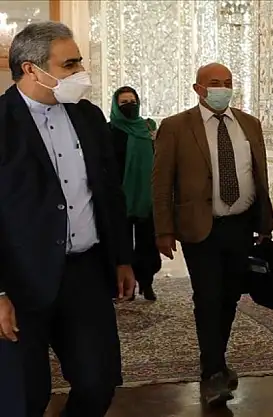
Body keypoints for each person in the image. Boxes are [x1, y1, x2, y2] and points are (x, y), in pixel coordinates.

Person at [0, 21, 136, 417]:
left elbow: (109, 192)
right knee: (25, 397)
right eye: (70, 64)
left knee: (99, 381)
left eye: (79, 62)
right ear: (31, 69)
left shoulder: (88, 117)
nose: (81, 73)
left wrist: (121, 258)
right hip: (19, 279)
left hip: (84, 272)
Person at [152, 62, 273, 407]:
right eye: (215, 83)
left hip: (241, 225)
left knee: (230, 296)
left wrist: (264, 223)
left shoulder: (249, 124)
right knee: (207, 297)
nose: (223, 89)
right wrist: (163, 229)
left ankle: (216, 360)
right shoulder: (176, 127)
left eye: (228, 82)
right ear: (198, 89)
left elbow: (259, 175)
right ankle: (212, 373)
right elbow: (161, 184)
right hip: (200, 226)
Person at [109, 86, 161, 301]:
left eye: (132, 101)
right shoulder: (110, 130)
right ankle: (125, 286)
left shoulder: (148, 127)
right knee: (121, 243)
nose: (129, 105)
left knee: (147, 243)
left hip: (146, 195)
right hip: (120, 196)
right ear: (116, 105)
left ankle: (146, 282)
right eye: (124, 102)